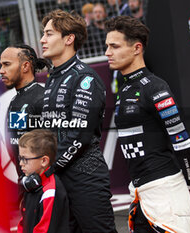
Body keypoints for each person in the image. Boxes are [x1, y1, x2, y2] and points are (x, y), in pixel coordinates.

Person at [105, 16, 190, 232]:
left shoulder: (156, 88)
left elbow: (182, 142)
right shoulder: (125, 88)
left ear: (137, 48)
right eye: (107, 46)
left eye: (114, 46)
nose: (107, 53)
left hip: (166, 193)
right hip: (140, 194)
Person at [40, 9, 117, 233]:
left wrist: (47, 167)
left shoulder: (84, 78)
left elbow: (80, 134)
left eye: (49, 34)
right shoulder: (54, 77)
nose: (43, 40)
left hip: (86, 177)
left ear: (69, 39)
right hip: (60, 178)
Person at [0, 44, 50, 177]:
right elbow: (15, 144)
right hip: (26, 185)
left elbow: (54, 147)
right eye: (1, 65)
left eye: (6, 64)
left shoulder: (43, 98)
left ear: (25, 66)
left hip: (43, 187)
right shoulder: (16, 100)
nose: (1, 71)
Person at [17, 129, 69, 233]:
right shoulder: (31, 186)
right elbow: (24, 222)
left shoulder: (50, 192)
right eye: (20, 158)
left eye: (25, 159)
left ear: (44, 161)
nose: (21, 164)